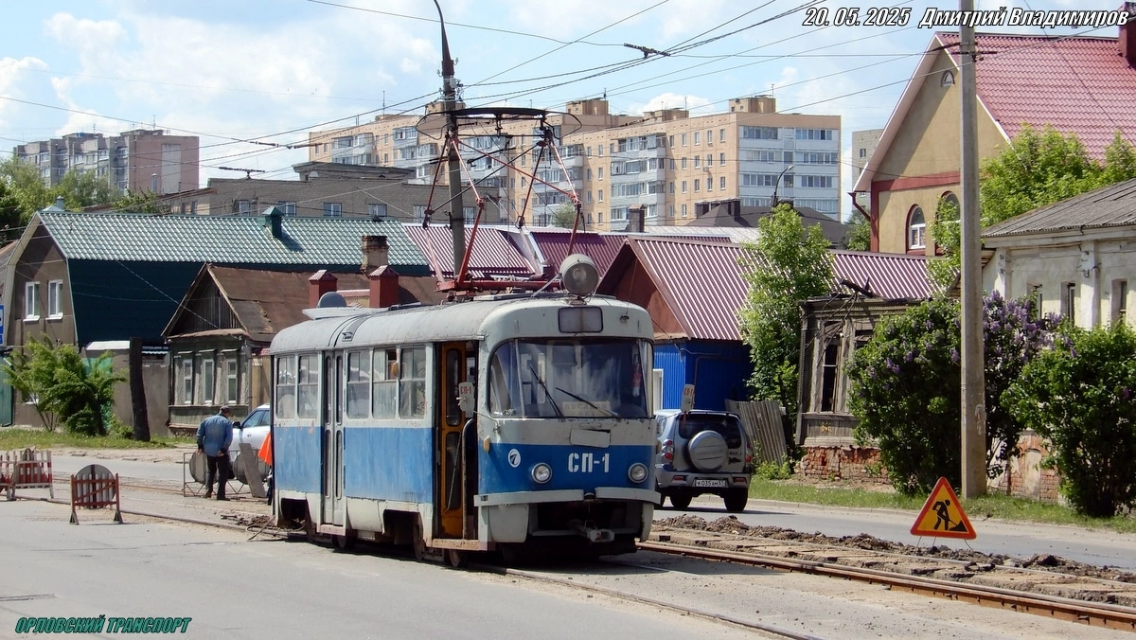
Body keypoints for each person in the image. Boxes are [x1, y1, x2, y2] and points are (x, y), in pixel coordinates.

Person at [197, 405, 234, 501]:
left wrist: (200, 446)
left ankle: (208, 491)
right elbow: (229, 438)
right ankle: (220, 495)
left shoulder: (207, 420)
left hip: (209, 450)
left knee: (211, 470)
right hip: (221, 451)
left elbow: (199, 434)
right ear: (227, 413)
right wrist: (223, 450)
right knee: (223, 473)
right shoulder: (227, 423)